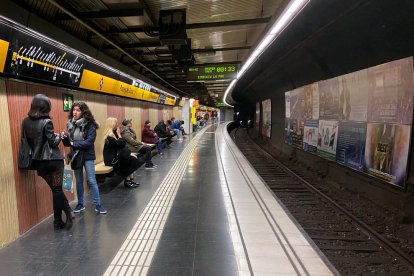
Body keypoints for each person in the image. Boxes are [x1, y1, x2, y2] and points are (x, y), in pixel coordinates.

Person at [22, 94, 72, 230]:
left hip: (39, 163)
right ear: (45, 107)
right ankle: (61, 217)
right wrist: (60, 136)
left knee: (55, 190)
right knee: (57, 190)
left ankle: (66, 215)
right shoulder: (46, 122)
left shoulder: (25, 122)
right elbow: (53, 142)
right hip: (54, 161)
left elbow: (27, 141)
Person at [62, 102, 107, 214]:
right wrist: (64, 138)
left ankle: (98, 205)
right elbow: (69, 143)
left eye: (77, 110)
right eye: (74, 110)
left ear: (83, 112)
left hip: (88, 155)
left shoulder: (90, 124)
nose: (75, 112)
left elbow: (88, 142)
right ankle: (80, 204)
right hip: (76, 155)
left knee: (91, 180)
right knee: (79, 181)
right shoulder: (70, 124)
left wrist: (73, 143)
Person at [102, 118, 140, 188]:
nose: (117, 125)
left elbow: (121, 145)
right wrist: (119, 134)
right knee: (130, 160)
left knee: (132, 159)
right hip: (111, 160)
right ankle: (128, 181)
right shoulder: (109, 136)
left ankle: (129, 180)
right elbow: (121, 144)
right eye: (116, 123)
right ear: (112, 124)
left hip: (114, 157)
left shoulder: (113, 134)